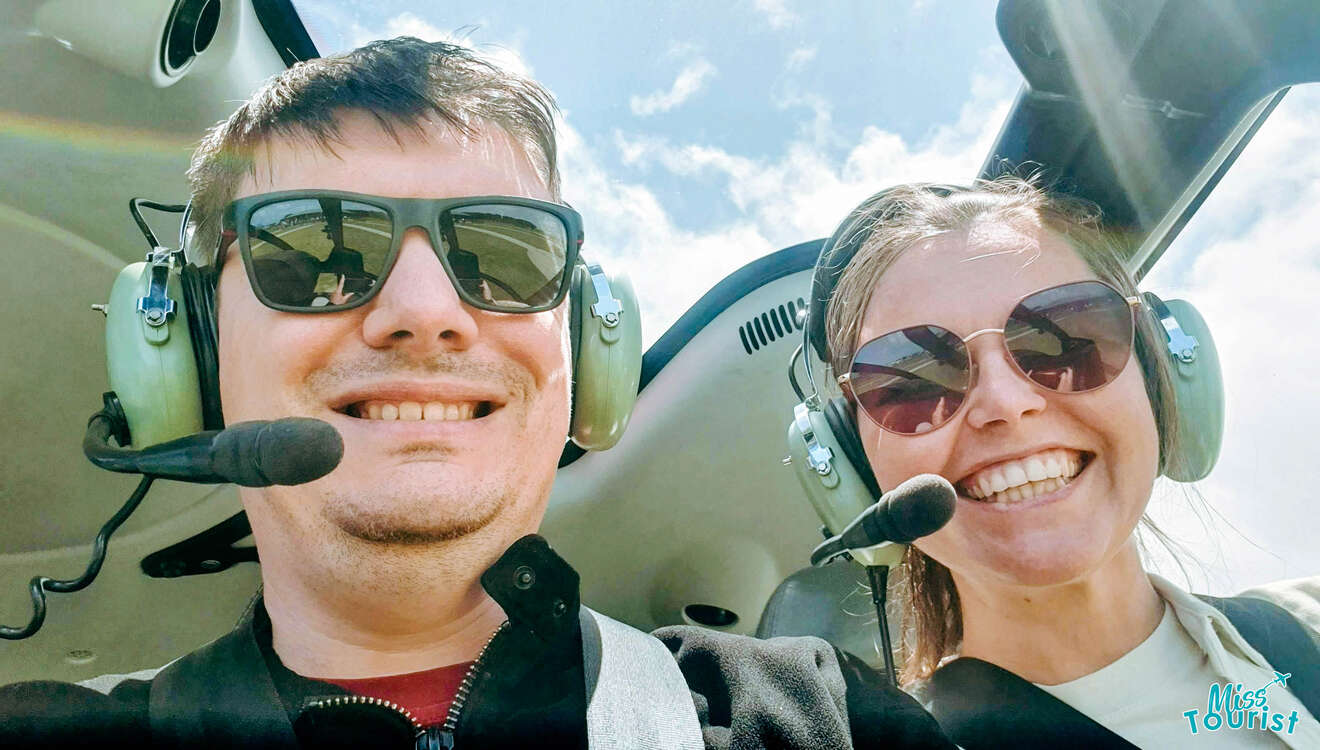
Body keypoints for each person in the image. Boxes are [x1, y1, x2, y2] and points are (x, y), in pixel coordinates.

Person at [0, 38, 954, 749]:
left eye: (503, 254)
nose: (424, 312)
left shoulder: (822, 721)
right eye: (318, 251)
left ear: (582, 340)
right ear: (191, 346)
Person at [809, 178, 1320, 748]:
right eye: (915, 382)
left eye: (1068, 338)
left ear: (1160, 376)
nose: (1006, 403)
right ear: (852, 466)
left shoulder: (1312, 626)